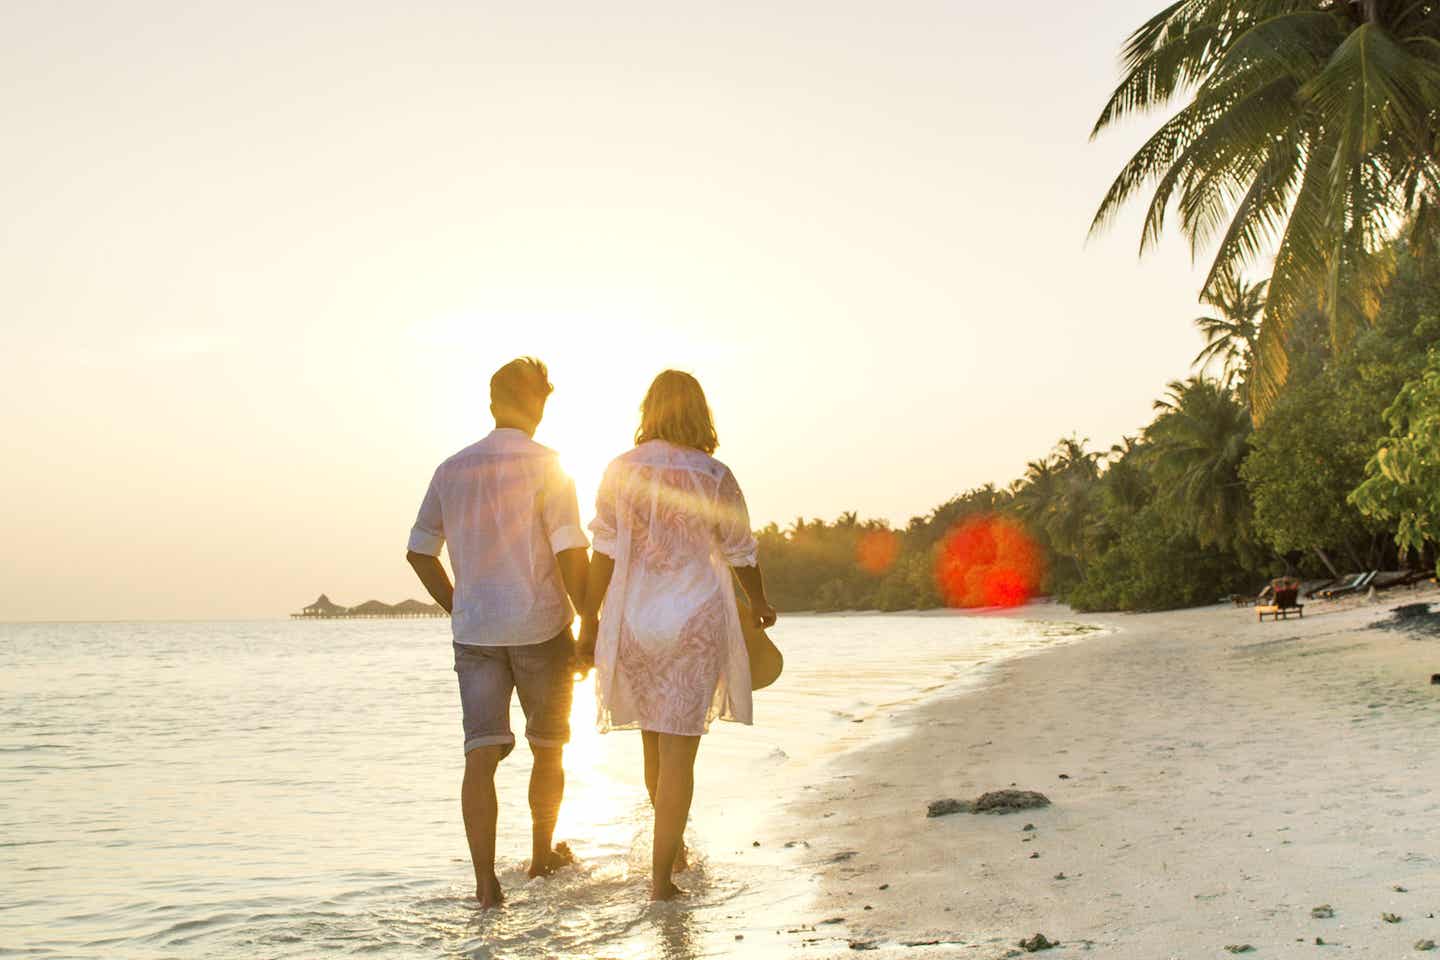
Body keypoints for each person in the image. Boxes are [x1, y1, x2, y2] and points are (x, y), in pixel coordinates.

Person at [576, 370, 777, 901]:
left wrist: (588, 619)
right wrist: (758, 602)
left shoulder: (620, 470)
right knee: (680, 757)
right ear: (699, 413)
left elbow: (605, 549)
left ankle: (673, 851)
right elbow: (740, 548)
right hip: (695, 623)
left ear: (650, 410)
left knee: (652, 741)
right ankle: (661, 880)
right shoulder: (714, 474)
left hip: (637, 621)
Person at [406, 357, 590, 909]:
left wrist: (459, 606)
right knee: (548, 750)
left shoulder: (451, 468)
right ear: (538, 403)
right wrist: (591, 623)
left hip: (477, 632)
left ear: (492, 403)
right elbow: (570, 552)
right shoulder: (549, 464)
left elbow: (419, 552)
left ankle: (486, 886)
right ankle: (539, 859)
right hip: (541, 627)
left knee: (479, 756)